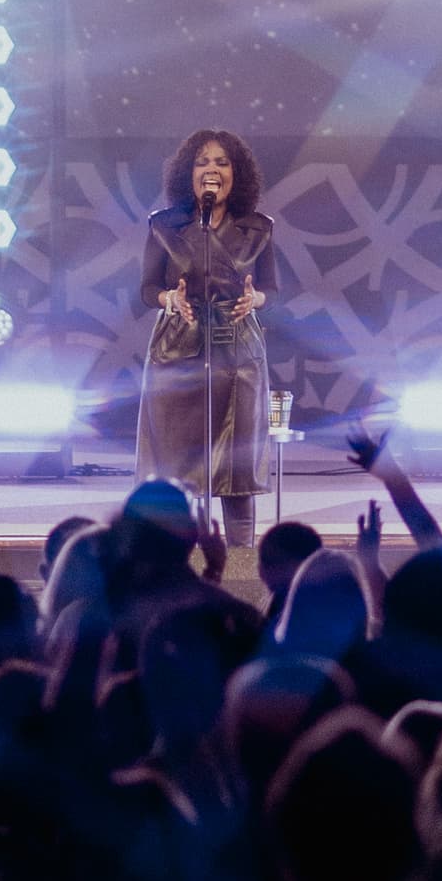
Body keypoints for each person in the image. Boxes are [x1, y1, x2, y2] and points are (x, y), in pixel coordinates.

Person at [133, 126, 277, 561]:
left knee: (236, 469)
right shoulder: (163, 226)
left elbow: (272, 287)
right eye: (202, 162)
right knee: (176, 468)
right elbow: (145, 288)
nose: (211, 170)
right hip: (178, 351)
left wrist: (256, 299)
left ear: (237, 174)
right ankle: (173, 563)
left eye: (221, 162)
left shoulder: (259, 229)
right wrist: (168, 299)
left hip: (238, 355)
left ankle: (240, 567)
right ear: (187, 174)